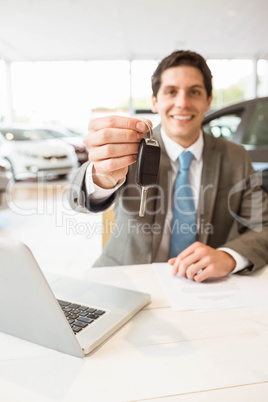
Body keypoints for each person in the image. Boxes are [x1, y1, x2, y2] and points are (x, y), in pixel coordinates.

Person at [68, 50, 268, 282]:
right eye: (171, 92)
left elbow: (263, 225)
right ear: (155, 101)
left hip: (201, 285)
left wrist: (229, 256)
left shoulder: (235, 156)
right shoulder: (130, 147)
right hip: (125, 277)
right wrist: (101, 177)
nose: (182, 103)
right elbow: (76, 200)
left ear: (208, 100)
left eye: (194, 92)